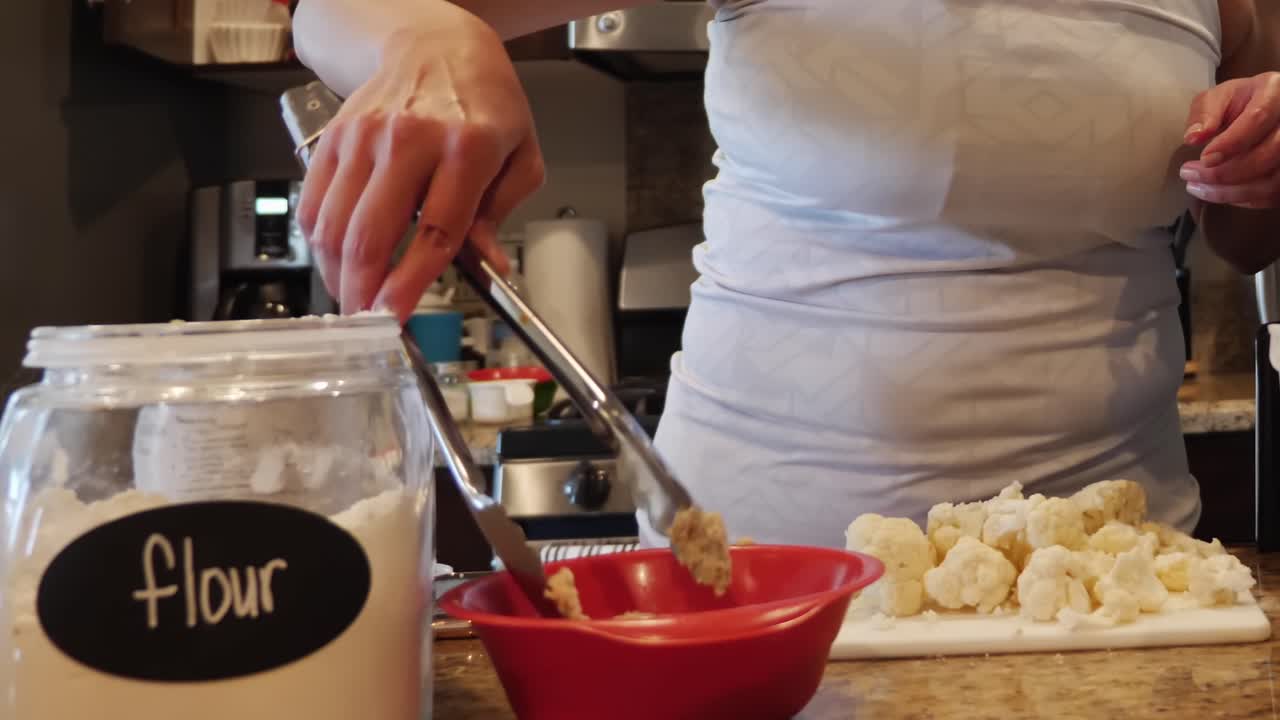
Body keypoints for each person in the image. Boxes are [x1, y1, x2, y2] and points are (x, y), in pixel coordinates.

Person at [292, 0, 1280, 548]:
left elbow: (1240, 238)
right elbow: (332, 11)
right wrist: (434, 35)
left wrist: (1259, 155)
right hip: (769, 565)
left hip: (1109, 567)